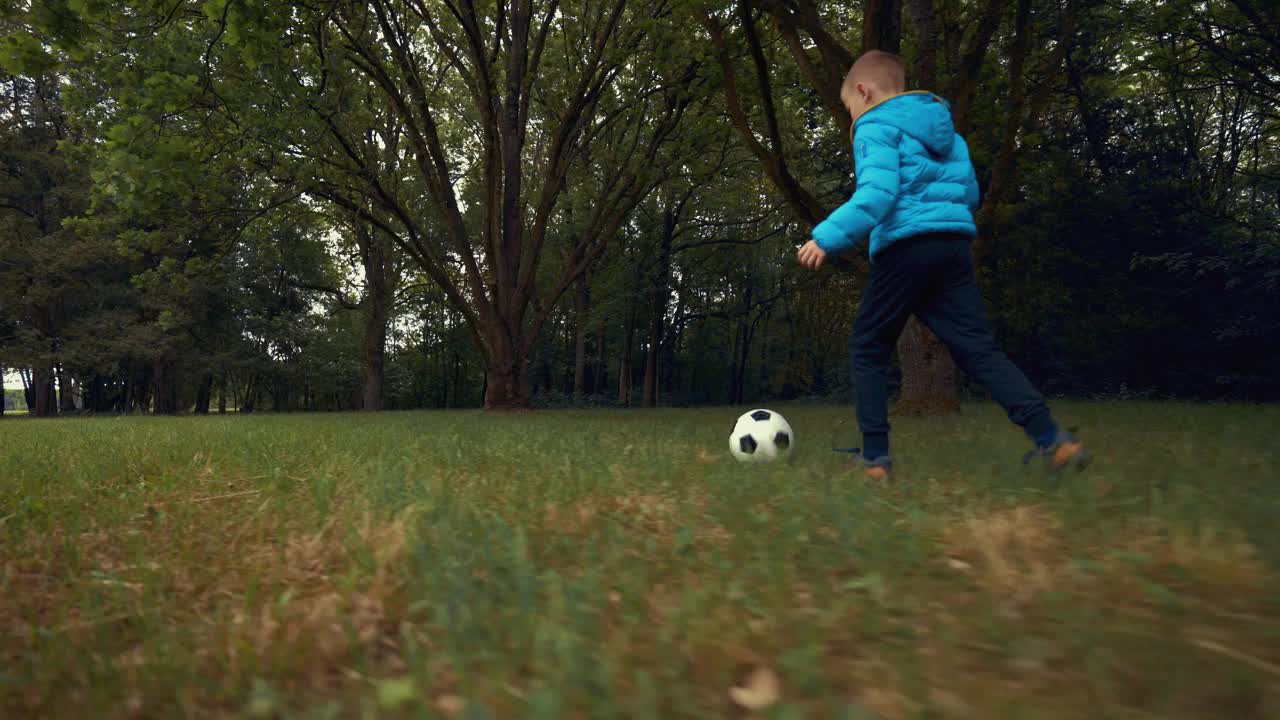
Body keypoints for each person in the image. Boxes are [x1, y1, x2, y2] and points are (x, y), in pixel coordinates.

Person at [795, 50, 1088, 481]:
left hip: (906, 247)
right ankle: (1053, 440)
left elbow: (877, 194)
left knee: (867, 347)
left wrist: (826, 237)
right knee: (979, 349)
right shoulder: (948, 133)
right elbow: (969, 195)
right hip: (953, 247)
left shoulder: (875, 126)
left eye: (849, 107)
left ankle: (874, 460)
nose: (852, 116)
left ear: (864, 90)